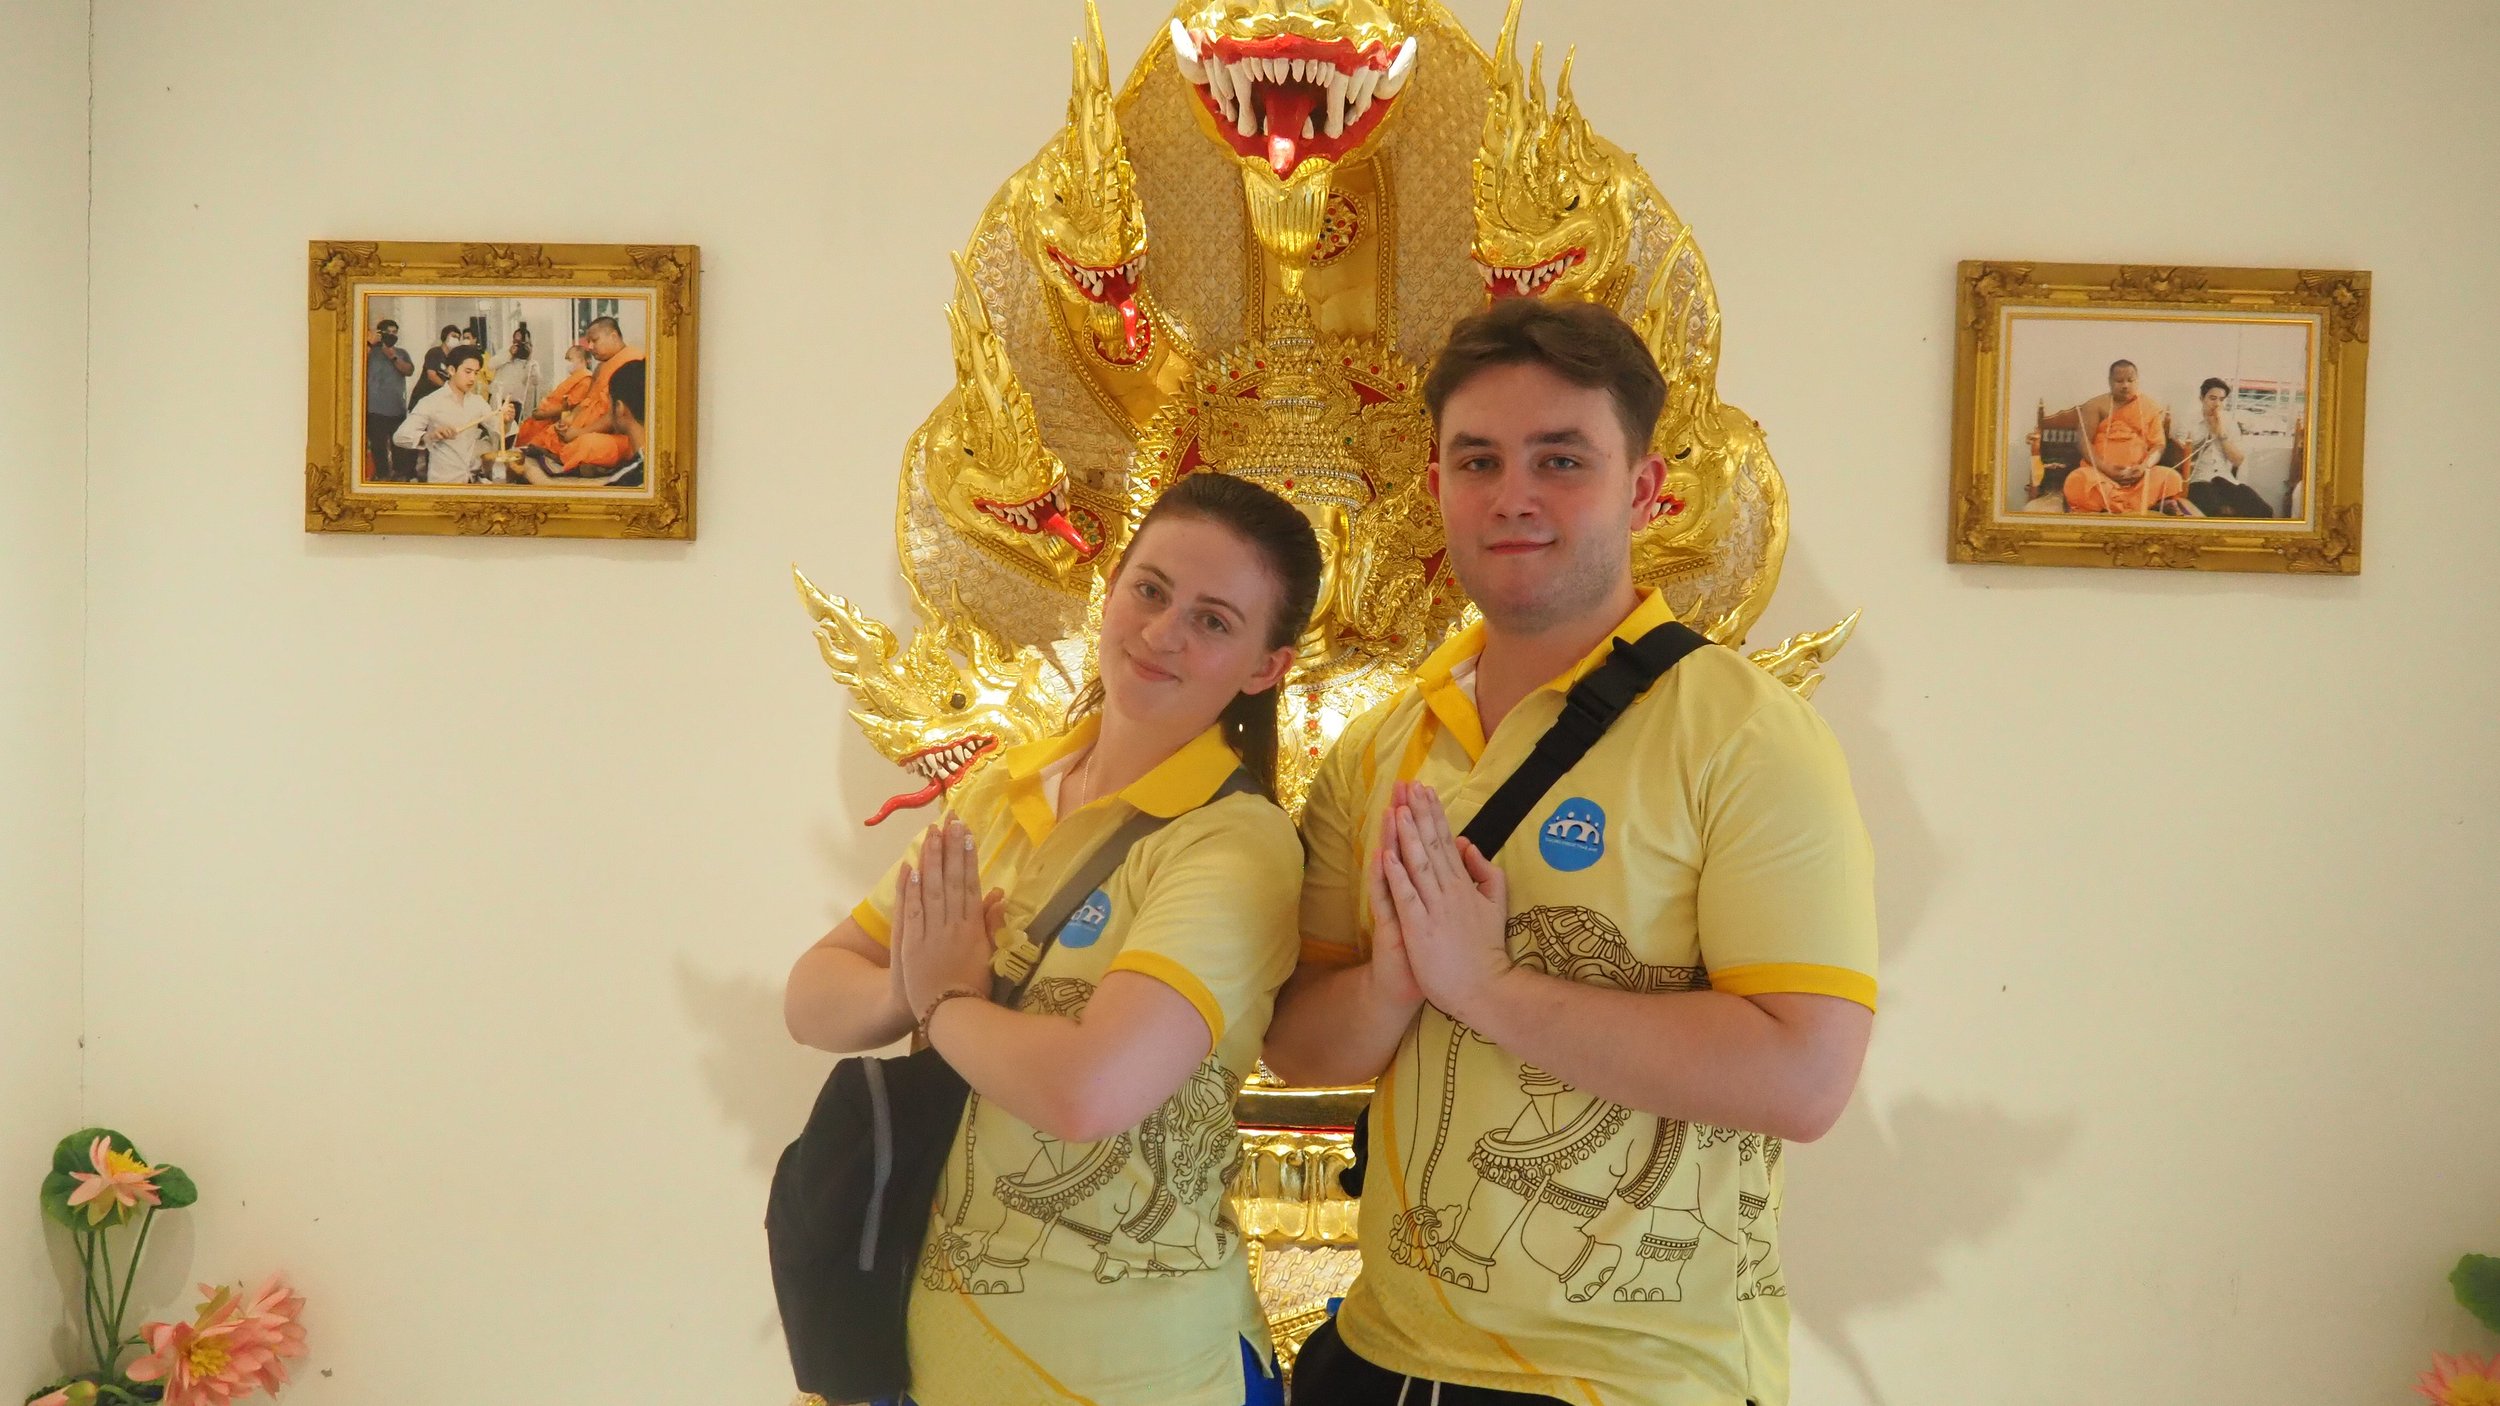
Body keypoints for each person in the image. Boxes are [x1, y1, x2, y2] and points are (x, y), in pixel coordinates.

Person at [1265, 299, 1877, 1406]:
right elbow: (1300, 1036)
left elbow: (1804, 1075)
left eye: (1561, 458)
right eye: (1478, 459)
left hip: (1635, 1374)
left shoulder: (1743, 732)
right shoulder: (1382, 743)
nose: (1514, 495)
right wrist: (1398, 978)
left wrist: (1485, 983)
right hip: (1382, 1353)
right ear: (1438, 484)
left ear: (1642, 489)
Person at [782, 473, 1325, 1406]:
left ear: (1264, 669)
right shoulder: (1002, 794)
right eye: (1149, 590)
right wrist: (910, 985)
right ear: (1109, 589)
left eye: (1214, 621)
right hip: (928, 1347)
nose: (1162, 633)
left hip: (1137, 1368)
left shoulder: (1237, 842)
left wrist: (949, 997)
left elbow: (1088, 1090)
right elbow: (812, 994)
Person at [2050, 360, 2189, 514]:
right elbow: (2084, 443)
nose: (2125, 385)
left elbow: (2158, 445)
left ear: (2137, 381)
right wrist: (2106, 468)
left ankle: (2117, 504)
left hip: (2139, 477)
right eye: (2119, 381)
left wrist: (2144, 467)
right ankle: (2143, 504)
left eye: (2130, 380)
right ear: (2110, 382)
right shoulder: (2095, 406)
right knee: (2078, 480)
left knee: (2171, 477)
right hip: (2101, 474)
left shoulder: (2148, 406)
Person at [526, 315, 644, 477]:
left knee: (587, 445)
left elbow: (616, 416)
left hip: (618, 435)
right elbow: (586, 402)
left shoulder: (633, 362)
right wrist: (567, 422)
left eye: (594, 340)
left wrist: (578, 433)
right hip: (585, 427)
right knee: (549, 433)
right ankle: (580, 461)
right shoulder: (602, 366)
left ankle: (583, 463)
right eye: (588, 341)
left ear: (614, 336)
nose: (589, 346)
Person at [392, 345, 515, 484]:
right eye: (467, 372)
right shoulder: (431, 401)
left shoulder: (477, 402)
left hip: (471, 479)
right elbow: (399, 436)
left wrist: (506, 420)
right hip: (443, 481)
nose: (472, 378)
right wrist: (429, 436)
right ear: (451, 370)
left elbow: (499, 429)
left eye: (476, 373)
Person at [2183, 376, 2270, 518]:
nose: (2217, 404)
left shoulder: (2229, 422)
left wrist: (2221, 434)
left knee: (2264, 510)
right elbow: (2181, 458)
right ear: (2201, 398)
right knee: (2220, 512)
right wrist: (2209, 432)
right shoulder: (2188, 422)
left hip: (2225, 479)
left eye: (2221, 400)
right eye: (2212, 398)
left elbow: (2238, 461)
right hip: (2198, 480)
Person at [515, 344, 595, 458]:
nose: (567, 362)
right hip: (542, 417)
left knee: (533, 446)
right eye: (566, 359)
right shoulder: (573, 378)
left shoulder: (586, 380)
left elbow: (569, 407)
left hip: (552, 420)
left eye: (570, 359)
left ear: (582, 360)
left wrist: (542, 414)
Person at [363, 317, 413, 482]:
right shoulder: (370, 352)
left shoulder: (402, 353)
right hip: (374, 408)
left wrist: (393, 357)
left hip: (396, 407)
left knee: (398, 444)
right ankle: (382, 475)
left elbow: (408, 370)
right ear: (380, 333)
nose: (391, 335)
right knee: (378, 446)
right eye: (388, 332)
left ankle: (399, 474)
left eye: (394, 332)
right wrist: (371, 343)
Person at [490, 324, 543, 430]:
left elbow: (536, 381)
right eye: (516, 341)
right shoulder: (505, 352)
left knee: (511, 434)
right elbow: (491, 365)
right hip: (498, 400)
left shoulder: (531, 362)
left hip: (515, 404)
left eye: (522, 343)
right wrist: (509, 354)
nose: (518, 345)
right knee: (494, 432)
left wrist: (529, 359)